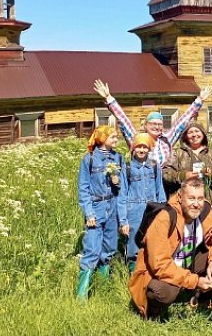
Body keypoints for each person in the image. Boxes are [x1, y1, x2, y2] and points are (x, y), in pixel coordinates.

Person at [127, 178, 212, 318]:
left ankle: (205, 303)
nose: (196, 204)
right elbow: (160, 265)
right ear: (181, 197)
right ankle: (152, 313)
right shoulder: (165, 217)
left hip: (187, 262)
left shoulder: (205, 210)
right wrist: (195, 281)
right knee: (164, 291)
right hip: (161, 271)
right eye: (191, 198)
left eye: (200, 198)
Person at [93, 79, 211, 182]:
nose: (157, 127)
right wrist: (108, 98)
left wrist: (199, 100)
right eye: (153, 124)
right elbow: (124, 120)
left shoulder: (166, 139)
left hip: (163, 184)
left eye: (160, 124)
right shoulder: (137, 139)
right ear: (146, 125)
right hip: (141, 183)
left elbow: (182, 122)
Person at [76, 125, 128, 299]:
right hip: (96, 208)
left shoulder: (118, 158)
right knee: (92, 248)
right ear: (102, 138)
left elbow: (122, 189)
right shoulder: (89, 159)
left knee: (109, 248)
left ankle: (103, 288)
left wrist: (116, 181)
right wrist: (89, 213)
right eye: (112, 137)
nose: (116, 140)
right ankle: (82, 295)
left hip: (112, 208)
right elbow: (83, 189)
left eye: (116, 137)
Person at [120, 132, 167, 274]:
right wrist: (123, 221)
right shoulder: (127, 168)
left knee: (152, 245)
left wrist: (163, 213)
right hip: (133, 211)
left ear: (149, 149)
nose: (141, 150)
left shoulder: (154, 166)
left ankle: (150, 276)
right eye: (139, 146)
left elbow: (160, 191)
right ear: (133, 148)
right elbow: (121, 196)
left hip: (152, 211)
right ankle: (134, 277)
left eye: (145, 147)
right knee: (134, 248)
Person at [163, 121, 212, 204]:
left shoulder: (211, 154)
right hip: (182, 202)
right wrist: (182, 176)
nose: (194, 135)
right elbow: (165, 174)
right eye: (190, 132)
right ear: (185, 136)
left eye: (197, 131)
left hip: (206, 202)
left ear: (203, 134)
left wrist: (211, 175)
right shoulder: (176, 153)